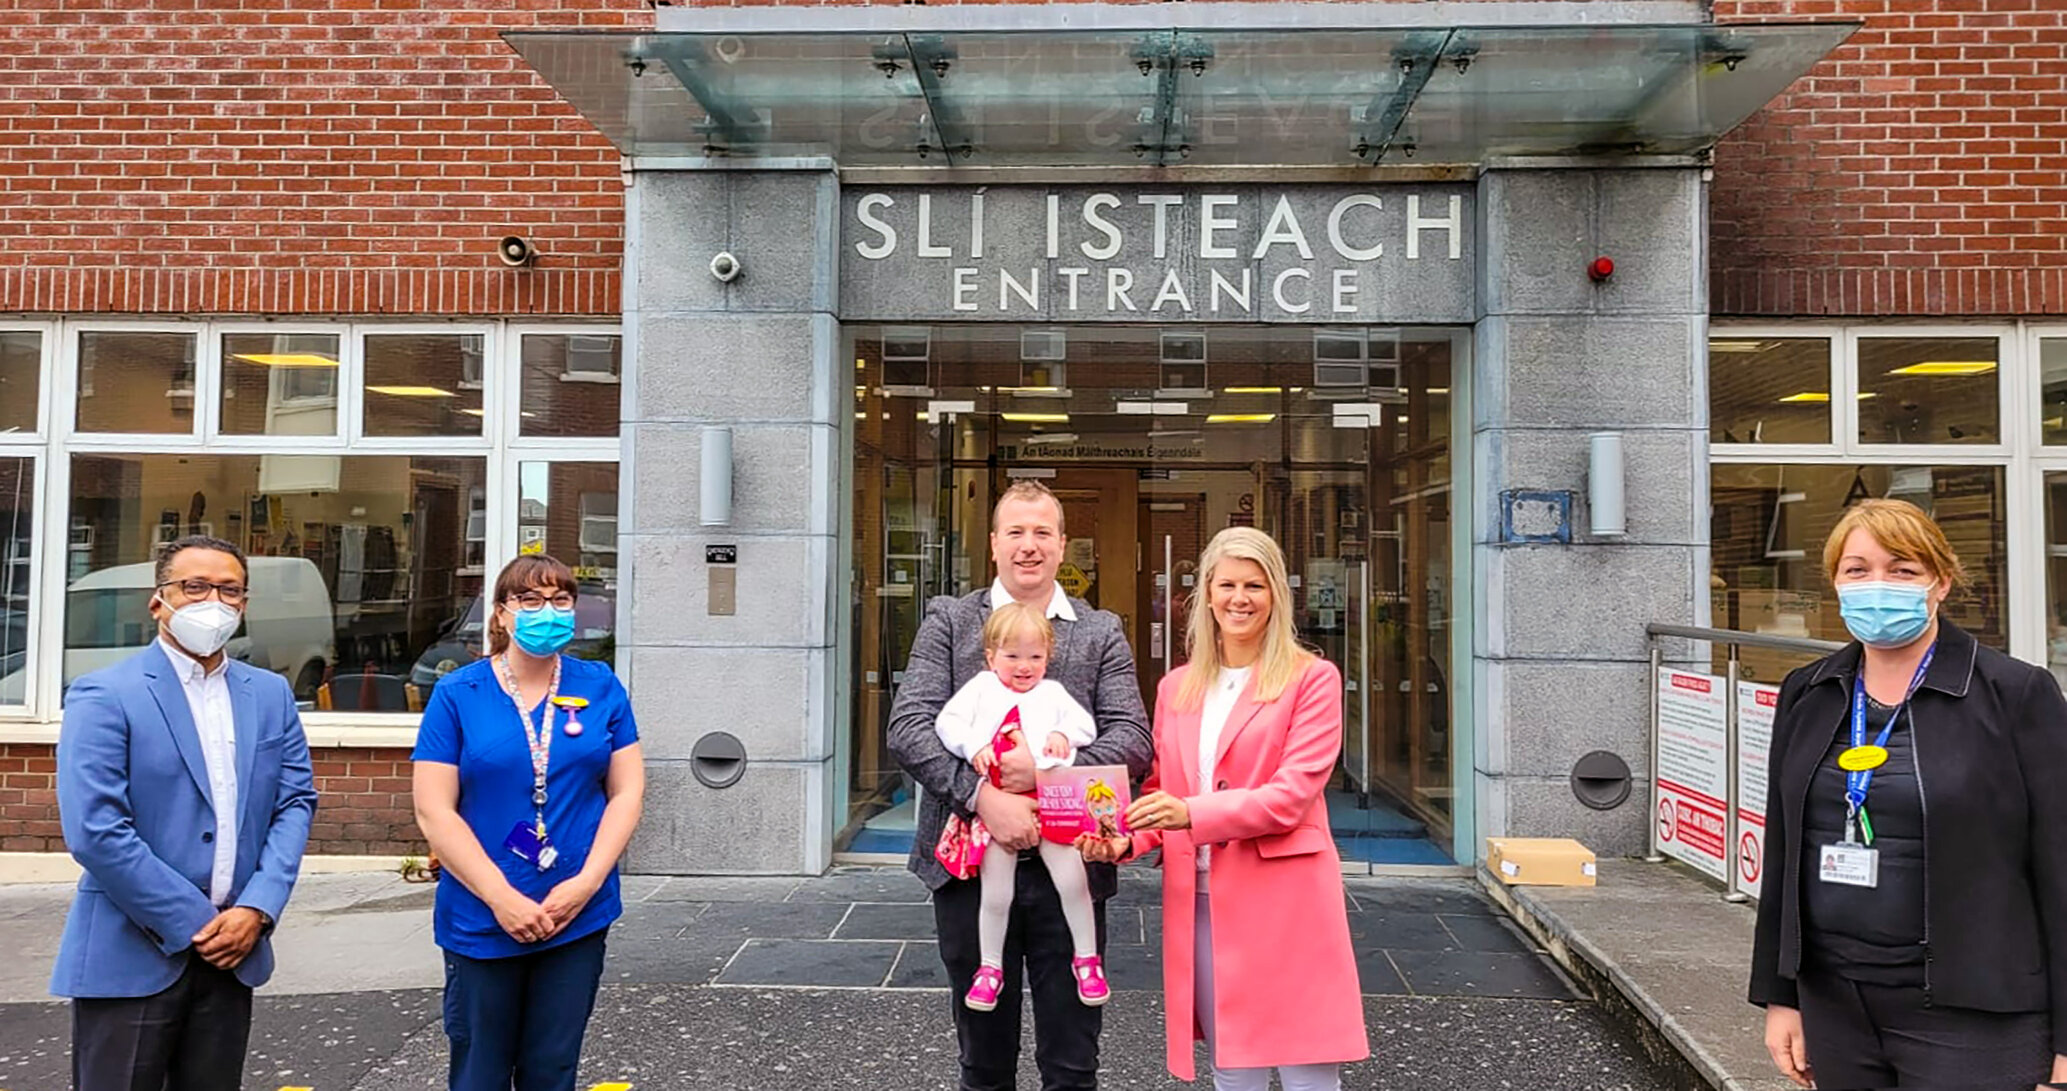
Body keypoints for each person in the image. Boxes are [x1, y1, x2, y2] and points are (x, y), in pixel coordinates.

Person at [1748, 499, 2067, 1089]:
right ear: (1836, 584)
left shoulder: (2015, 694)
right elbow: (1784, 852)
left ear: (1940, 582)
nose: (1878, 586)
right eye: (1858, 569)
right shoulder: (1809, 692)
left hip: (1973, 1017)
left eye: (1902, 570)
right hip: (1836, 1006)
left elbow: (2061, 867)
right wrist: (1781, 994)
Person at [888, 479, 1153, 1091]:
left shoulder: (1100, 630)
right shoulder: (951, 621)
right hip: (970, 870)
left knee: (1072, 1064)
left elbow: (1132, 738)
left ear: (1063, 546)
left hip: (1073, 864)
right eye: (1016, 532)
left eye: (1042, 533)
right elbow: (908, 727)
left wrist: (1047, 774)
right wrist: (986, 798)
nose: (1028, 546)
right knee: (983, 1065)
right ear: (994, 544)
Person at [1081, 526, 1367, 1090]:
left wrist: (1191, 814)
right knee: (1232, 1067)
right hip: (1203, 903)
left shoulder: (1313, 679)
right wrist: (1125, 840)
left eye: (1255, 586)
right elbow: (1162, 790)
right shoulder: (1178, 687)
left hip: (1288, 901)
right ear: (1207, 593)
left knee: (1307, 1066)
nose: (1240, 598)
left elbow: (1291, 796)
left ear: (1276, 597)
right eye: (1229, 584)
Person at [51, 535, 319, 1091]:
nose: (211, 601)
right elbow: (96, 831)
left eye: (228, 590)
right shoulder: (104, 694)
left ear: (244, 605)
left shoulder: (270, 695)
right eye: (193, 587)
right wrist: (197, 922)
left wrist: (257, 909)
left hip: (235, 953)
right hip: (132, 952)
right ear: (159, 601)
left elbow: (294, 804)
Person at [412, 554, 645, 1091]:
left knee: (552, 1069)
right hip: (483, 915)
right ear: (500, 614)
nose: (548, 612)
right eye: (531, 600)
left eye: (560, 600)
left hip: (576, 913)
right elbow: (434, 809)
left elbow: (627, 791)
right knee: (480, 1072)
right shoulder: (458, 694)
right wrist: (500, 897)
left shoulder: (600, 686)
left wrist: (585, 884)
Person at [934, 600, 1105, 1013]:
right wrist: (973, 745)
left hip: (1049, 803)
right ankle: (989, 968)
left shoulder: (1054, 693)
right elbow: (946, 723)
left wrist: (1065, 736)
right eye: (1012, 656)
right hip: (998, 808)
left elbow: (1087, 726)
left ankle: (1087, 958)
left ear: (1049, 657)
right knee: (996, 892)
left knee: (1073, 880)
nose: (1024, 665)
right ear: (991, 656)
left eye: (1036, 656)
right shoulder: (980, 688)